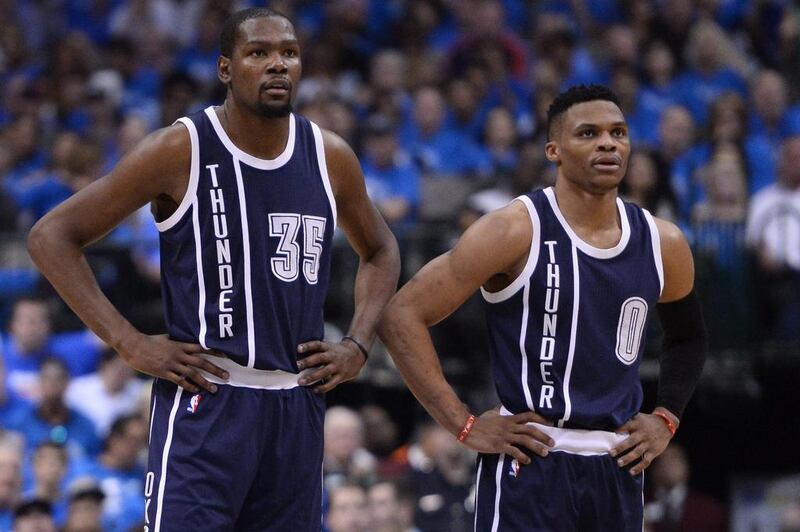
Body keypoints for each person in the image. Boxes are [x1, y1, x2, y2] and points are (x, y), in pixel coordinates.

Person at [27, 7, 400, 531]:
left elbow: (382, 251)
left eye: (289, 53)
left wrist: (359, 344)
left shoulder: (329, 156)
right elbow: (51, 237)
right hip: (209, 402)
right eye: (259, 53)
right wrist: (127, 341)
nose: (278, 65)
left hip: (296, 407)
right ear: (226, 69)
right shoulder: (181, 147)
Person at [379, 84, 707, 530]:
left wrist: (666, 418)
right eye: (588, 133)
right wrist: (462, 424)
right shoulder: (514, 229)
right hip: (531, 459)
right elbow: (401, 314)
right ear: (554, 149)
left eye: (619, 133)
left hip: (617, 463)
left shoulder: (662, 241)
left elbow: (689, 337)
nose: (608, 143)